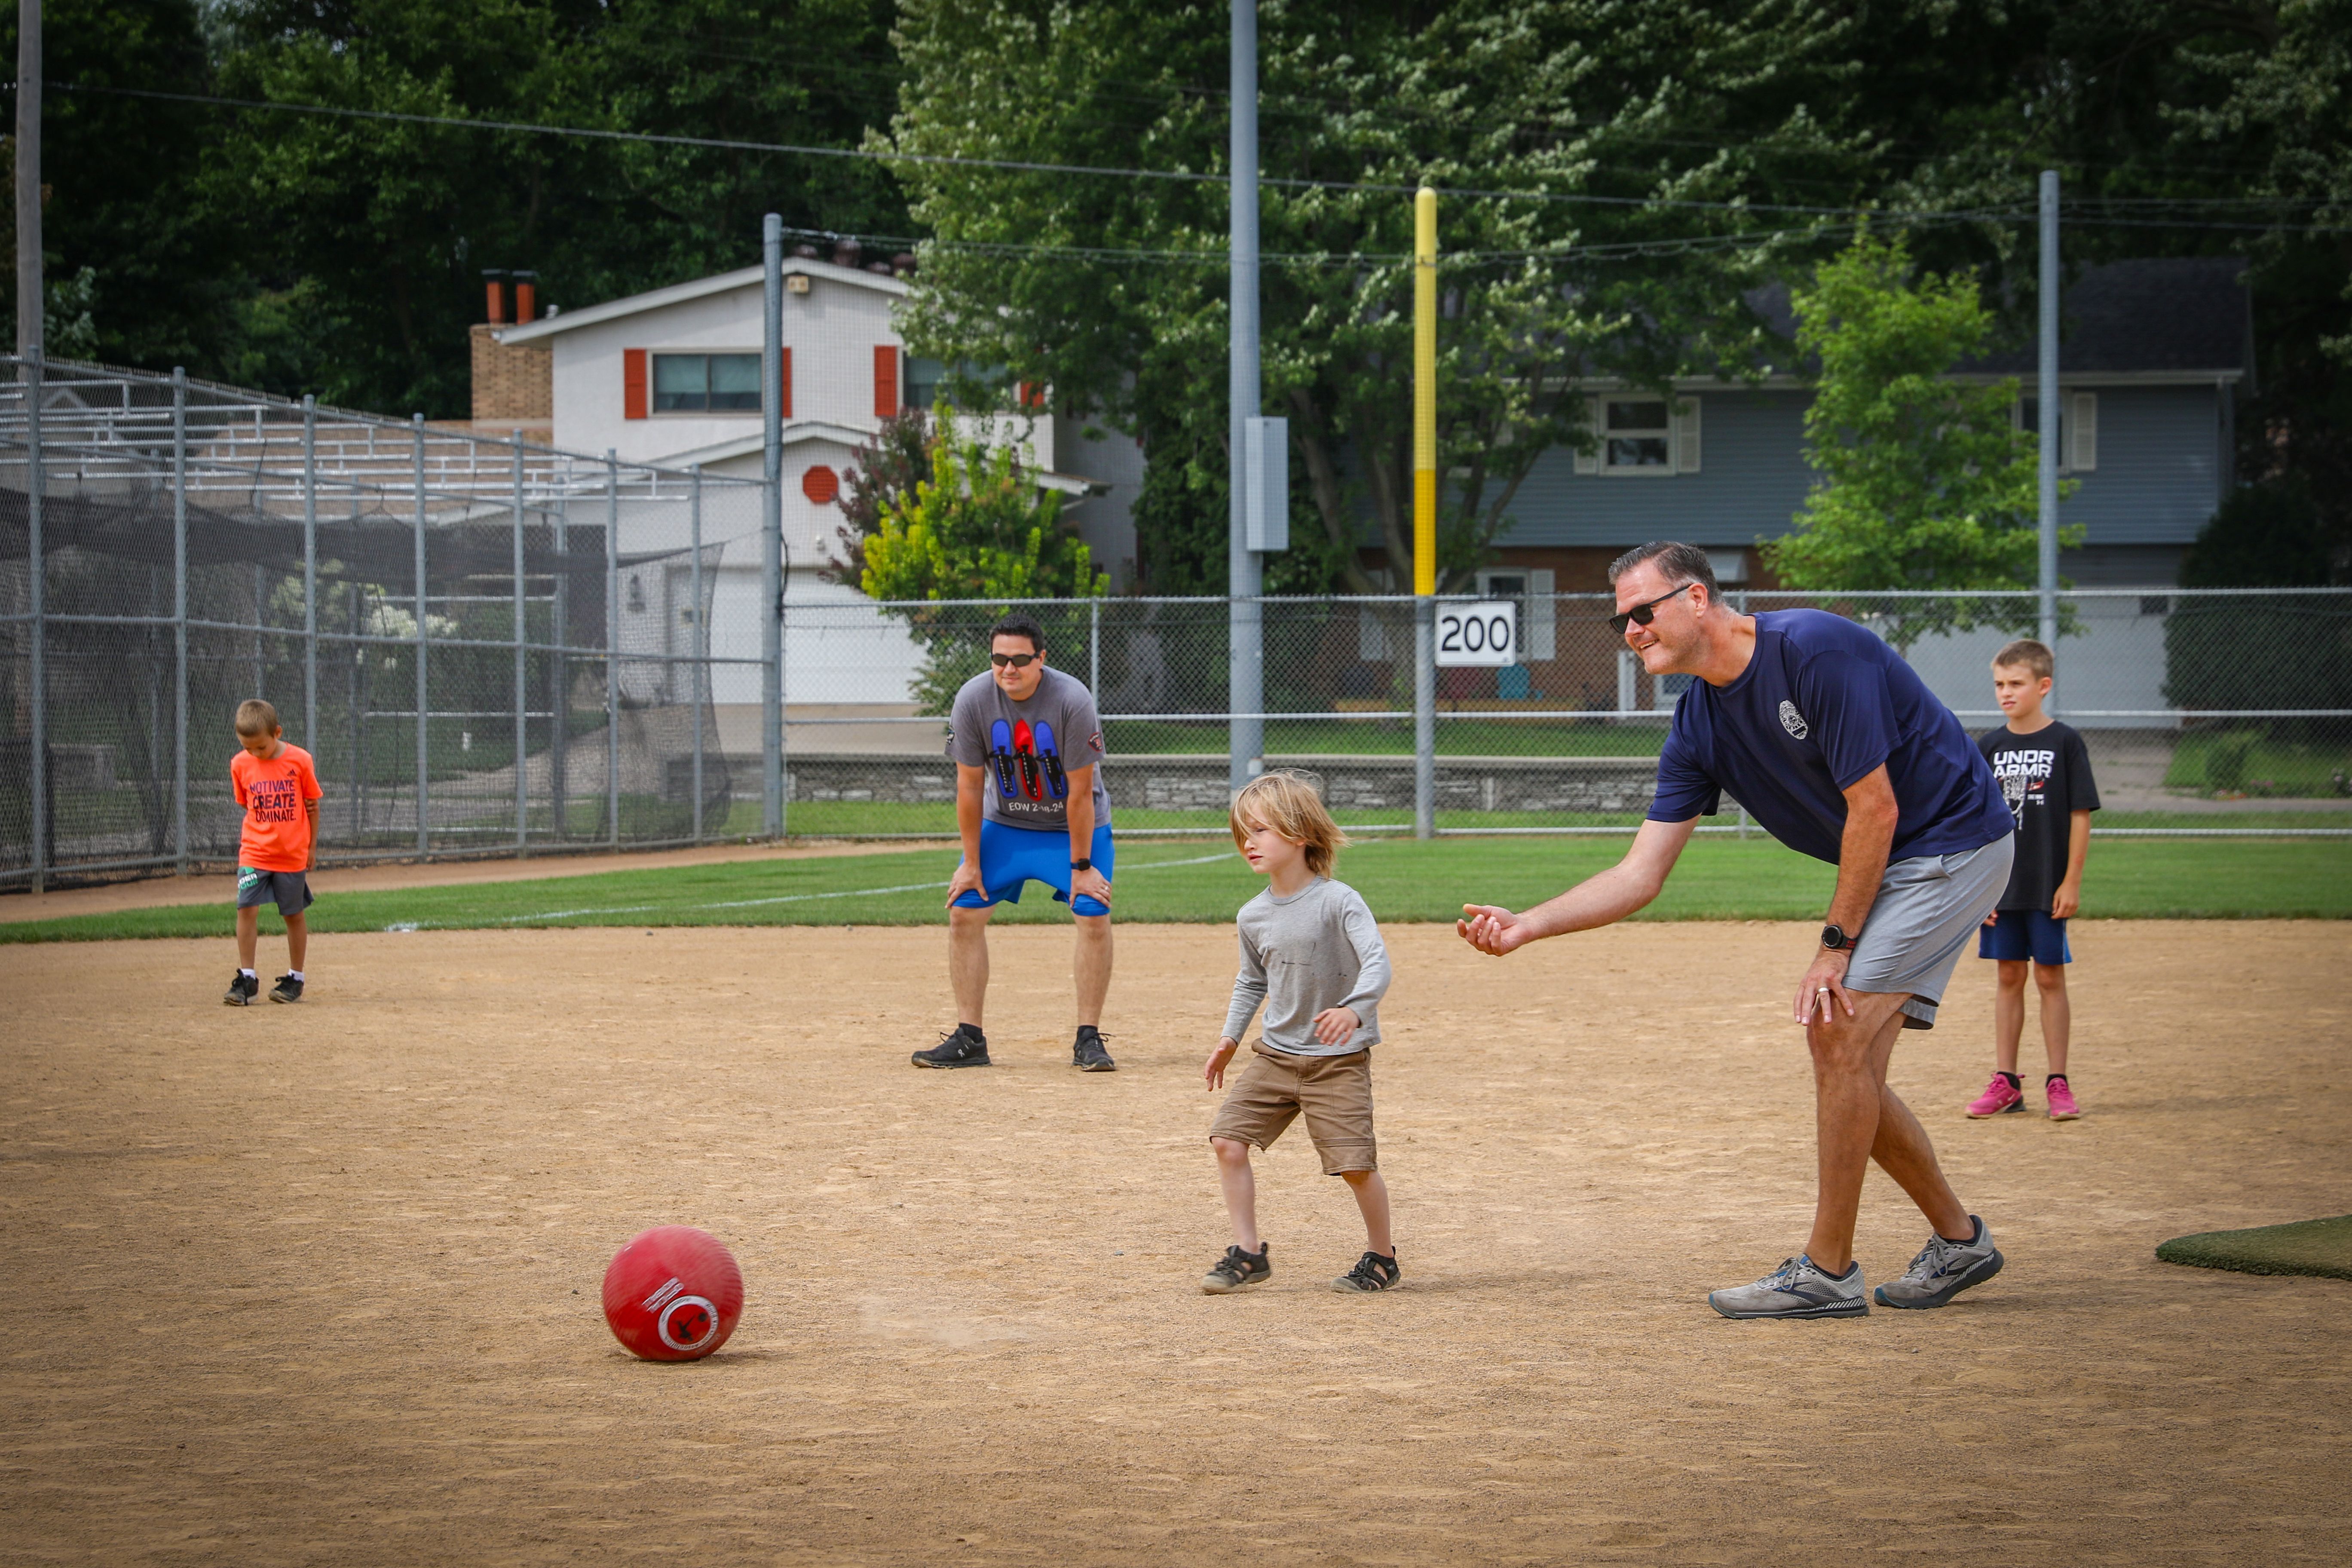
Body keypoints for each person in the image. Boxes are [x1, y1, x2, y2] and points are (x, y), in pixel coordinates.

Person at [1458, 542, 2018, 1320]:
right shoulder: (1697, 724)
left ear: (1695, 599)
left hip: (1951, 841)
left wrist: (1833, 949)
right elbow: (1639, 873)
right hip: (1896, 857)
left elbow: (1876, 808)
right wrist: (1529, 924)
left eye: (1642, 611)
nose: (1630, 630)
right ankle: (1960, 1241)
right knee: (1849, 1065)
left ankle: (1827, 1272)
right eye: (1620, 619)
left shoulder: (1815, 651)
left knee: (1835, 1037)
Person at [1200, 772, 1398, 1295]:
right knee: (1227, 1140)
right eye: (1243, 831)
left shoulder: (1340, 901)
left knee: (1354, 1166)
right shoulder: (1254, 914)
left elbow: (1378, 964)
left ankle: (1383, 1256)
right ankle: (1248, 1253)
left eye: (1261, 830)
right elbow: (1252, 980)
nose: (1248, 842)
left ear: (1301, 833)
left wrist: (1355, 1010)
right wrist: (1229, 1038)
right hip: (1276, 1056)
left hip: (1337, 1060)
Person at [912, 613, 1118, 1071]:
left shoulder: (1071, 699)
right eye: (999, 659)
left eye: (1020, 660)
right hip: (1005, 825)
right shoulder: (972, 700)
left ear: (1041, 659)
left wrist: (1082, 867)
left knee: (1092, 915)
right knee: (964, 913)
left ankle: (1088, 1039)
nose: (1008, 669)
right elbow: (968, 787)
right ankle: (970, 1038)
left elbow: (1081, 793)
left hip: (1072, 831)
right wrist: (970, 862)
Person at [1969, 639, 2099, 1121]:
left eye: (2016, 684)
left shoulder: (2065, 742)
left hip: (2046, 885)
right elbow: (1976, 821)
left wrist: (2071, 882)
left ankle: (2058, 1082)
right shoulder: (1989, 746)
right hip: (2003, 886)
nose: (2006, 693)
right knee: (2008, 976)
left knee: (2048, 977)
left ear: (2043, 686)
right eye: (2000, 684)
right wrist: (1981, 888)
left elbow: (2080, 815)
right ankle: (2006, 1082)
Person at [223, 698, 321, 1005]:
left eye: (261, 747)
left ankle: (296, 978)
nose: (254, 753)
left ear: (277, 732)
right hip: (254, 852)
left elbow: (312, 805)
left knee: (293, 914)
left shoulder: (300, 760)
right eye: (247, 747)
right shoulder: (240, 764)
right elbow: (248, 804)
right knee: (246, 908)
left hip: (291, 853)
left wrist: (311, 847)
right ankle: (247, 978)